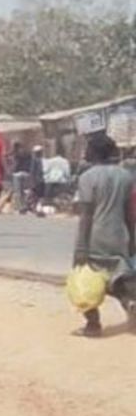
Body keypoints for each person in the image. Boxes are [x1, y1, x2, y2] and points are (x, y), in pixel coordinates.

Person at [71, 134, 134, 338]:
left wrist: (81, 248)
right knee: (118, 279)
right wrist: (133, 239)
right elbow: (130, 214)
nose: (85, 153)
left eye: (88, 149)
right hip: (119, 235)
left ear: (95, 152)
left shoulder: (87, 177)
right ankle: (130, 303)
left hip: (96, 236)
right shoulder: (126, 176)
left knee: (85, 282)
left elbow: (86, 216)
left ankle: (92, 324)